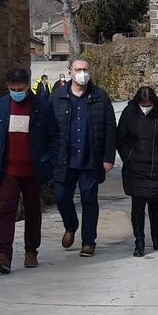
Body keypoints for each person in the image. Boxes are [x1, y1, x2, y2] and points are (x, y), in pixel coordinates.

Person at [0, 68, 59, 274]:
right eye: (12, 88)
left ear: (28, 86)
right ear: (7, 86)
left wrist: (49, 160)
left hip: (33, 169)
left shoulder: (42, 107)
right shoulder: (0, 106)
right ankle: (4, 255)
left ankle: (31, 250)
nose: (16, 91)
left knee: (33, 210)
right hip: (7, 169)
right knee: (6, 210)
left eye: (20, 88)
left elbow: (54, 137)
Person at [50, 57, 116, 257]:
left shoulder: (100, 97)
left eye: (86, 69)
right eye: (78, 69)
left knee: (89, 200)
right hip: (64, 158)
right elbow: (48, 127)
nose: (82, 73)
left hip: (90, 158)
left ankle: (89, 242)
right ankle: (71, 225)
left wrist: (108, 157)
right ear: (70, 71)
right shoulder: (57, 96)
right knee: (61, 197)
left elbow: (110, 128)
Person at [117, 86, 158, 257]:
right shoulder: (129, 112)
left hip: (156, 167)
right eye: (143, 104)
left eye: (148, 104)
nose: (146, 107)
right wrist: (128, 157)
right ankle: (139, 240)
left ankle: (156, 236)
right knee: (137, 207)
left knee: (155, 205)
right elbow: (121, 138)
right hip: (134, 167)